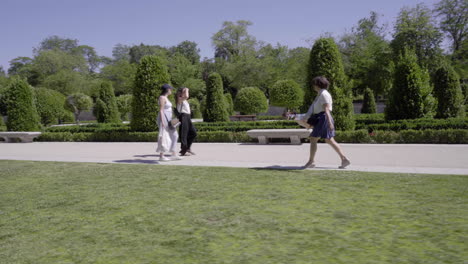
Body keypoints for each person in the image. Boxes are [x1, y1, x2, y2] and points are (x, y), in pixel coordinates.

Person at [298, 76, 351, 169]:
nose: (313, 86)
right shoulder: (321, 94)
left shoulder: (323, 94)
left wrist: (330, 123)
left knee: (314, 139)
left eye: (314, 84)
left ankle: (311, 161)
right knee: (329, 140)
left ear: (318, 85)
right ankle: (344, 159)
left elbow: (326, 109)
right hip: (322, 118)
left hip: (323, 118)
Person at [156, 84, 181, 161]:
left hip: (168, 120)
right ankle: (161, 156)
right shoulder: (162, 98)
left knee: (175, 135)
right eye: (170, 89)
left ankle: (173, 153)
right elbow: (161, 110)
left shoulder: (166, 98)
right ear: (167, 89)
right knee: (163, 137)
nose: (171, 91)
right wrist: (163, 122)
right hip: (164, 120)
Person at [176, 87, 197, 156]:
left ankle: (187, 148)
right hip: (183, 116)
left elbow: (186, 97)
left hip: (187, 116)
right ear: (181, 93)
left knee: (193, 132)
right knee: (184, 133)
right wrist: (187, 89)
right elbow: (187, 96)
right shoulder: (179, 99)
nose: (185, 93)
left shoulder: (184, 100)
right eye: (183, 92)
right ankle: (183, 149)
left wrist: (185, 90)